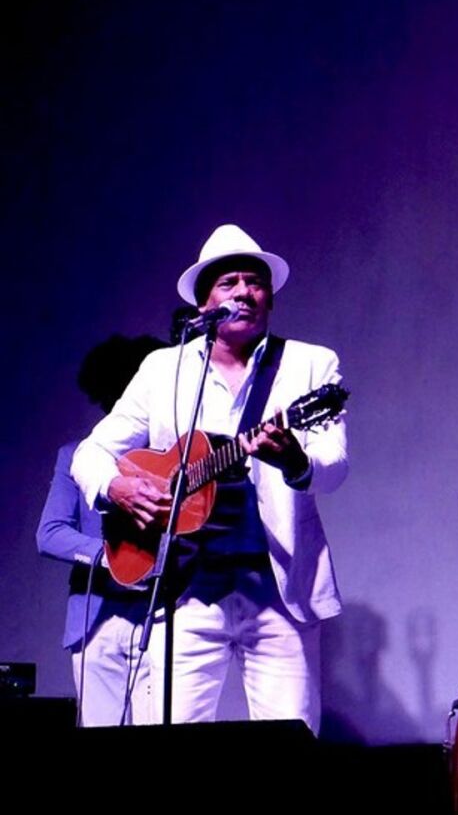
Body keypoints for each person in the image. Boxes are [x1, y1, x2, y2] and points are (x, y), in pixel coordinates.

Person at [72, 224, 349, 731]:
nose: (244, 292)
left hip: (278, 592)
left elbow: (334, 466)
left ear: (270, 297)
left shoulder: (311, 364)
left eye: (255, 282)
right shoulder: (164, 369)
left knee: (291, 739)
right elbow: (91, 453)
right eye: (229, 283)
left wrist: (295, 460)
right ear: (204, 304)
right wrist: (119, 488)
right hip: (185, 590)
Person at [36, 333, 166, 725]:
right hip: (96, 620)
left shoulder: (173, 460)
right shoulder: (75, 456)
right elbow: (50, 533)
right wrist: (115, 561)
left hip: (162, 616)